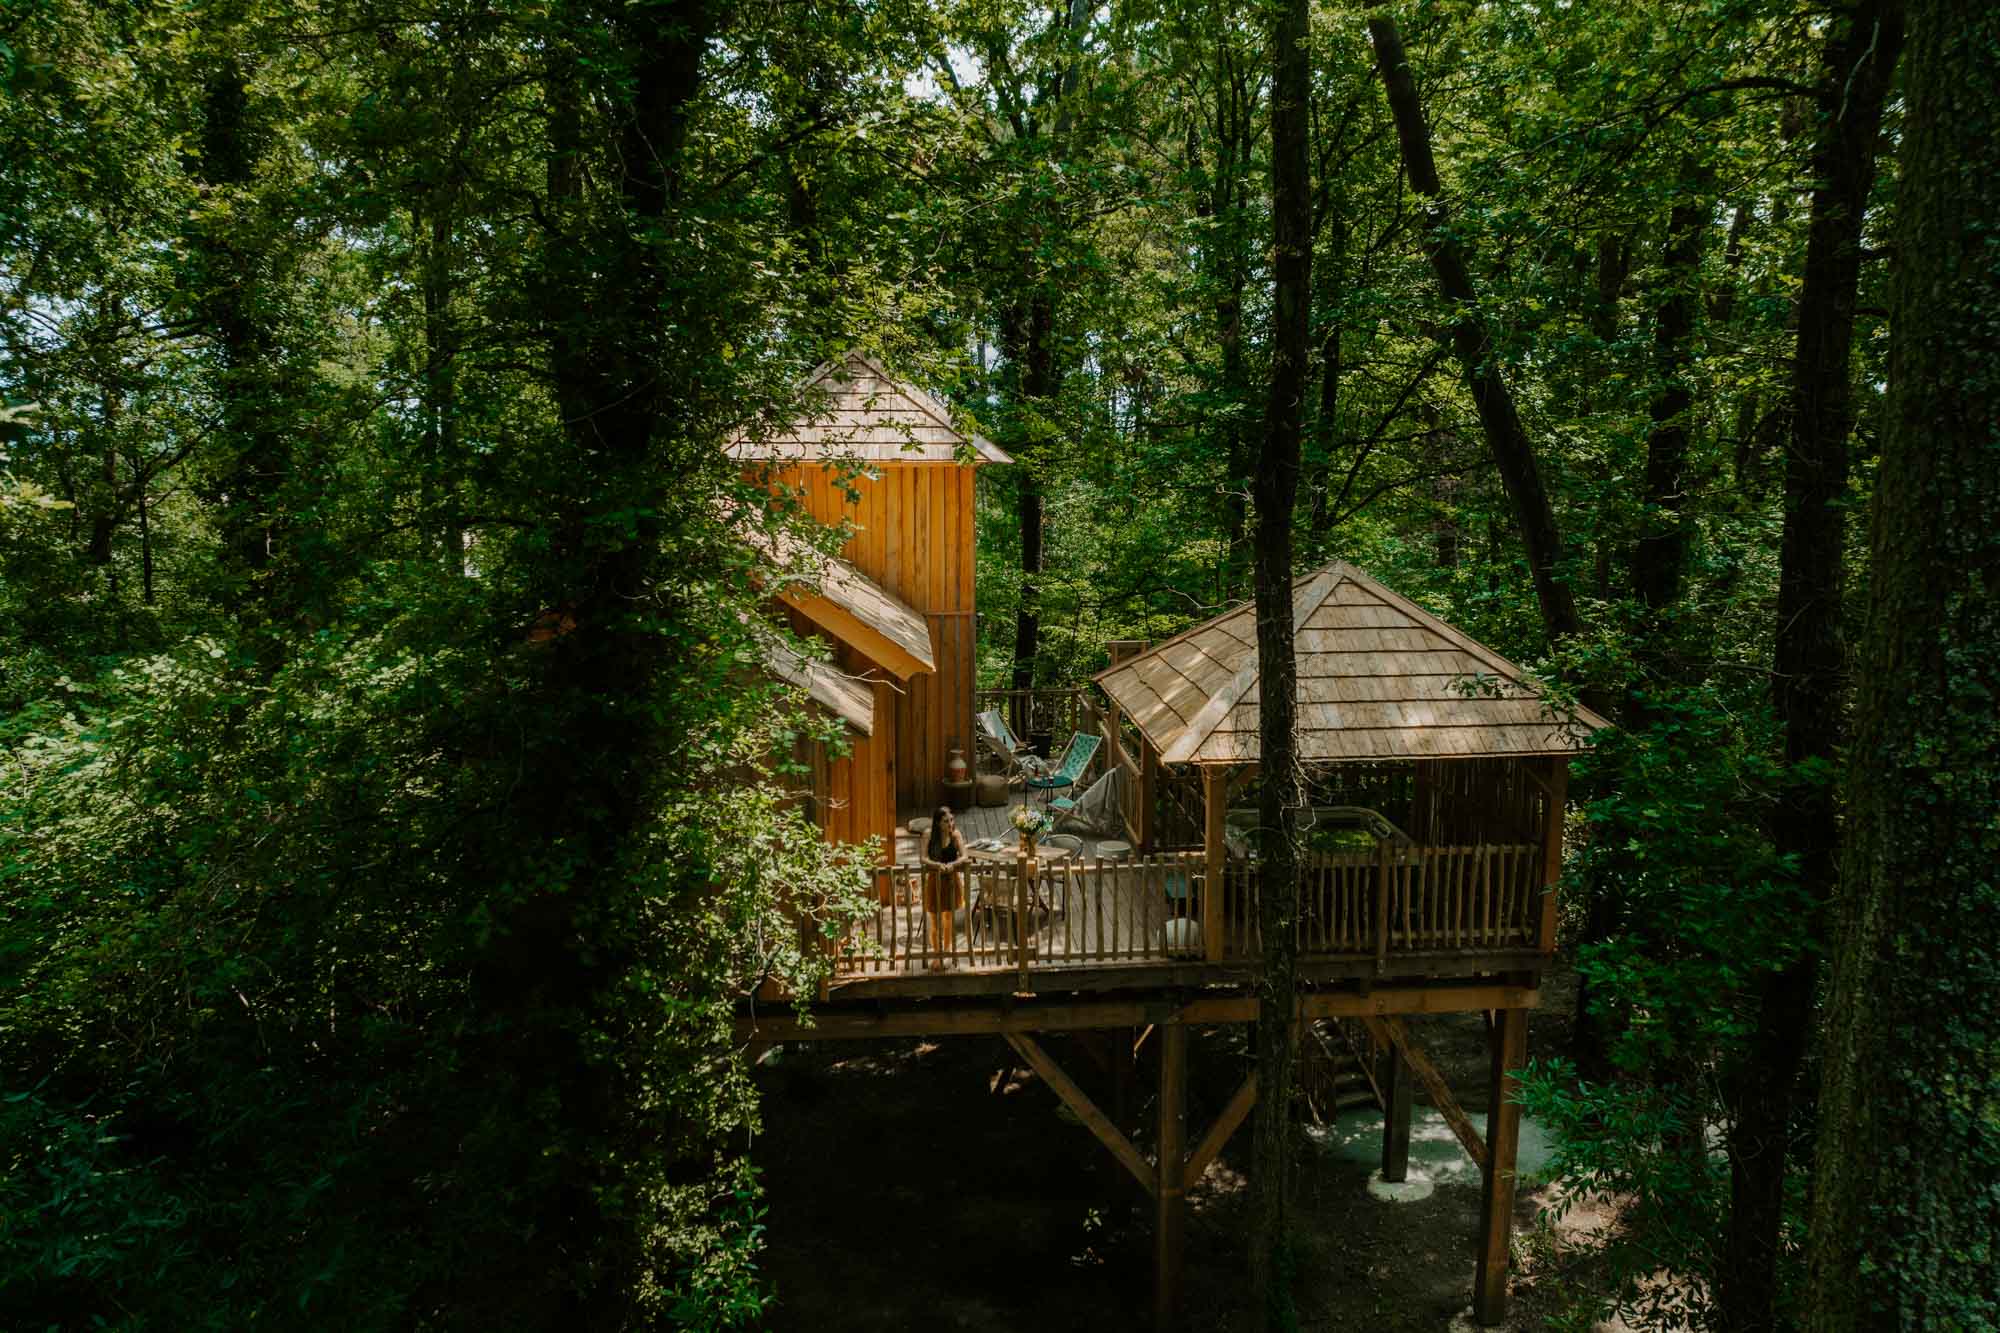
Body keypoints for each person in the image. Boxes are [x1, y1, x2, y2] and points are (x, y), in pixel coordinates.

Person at [920, 805, 966, 969]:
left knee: (948, 919)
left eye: (952, 820)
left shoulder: (955, 835)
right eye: (946, 821)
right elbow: (923, 858)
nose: (950, 823)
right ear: (938, 823)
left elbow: (964, 856)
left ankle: (946, 953)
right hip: (935, 879)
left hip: (951, 879)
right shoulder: (928, 835)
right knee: (935, 920)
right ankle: (937, 954)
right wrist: (937, 865)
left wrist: (953, 864)